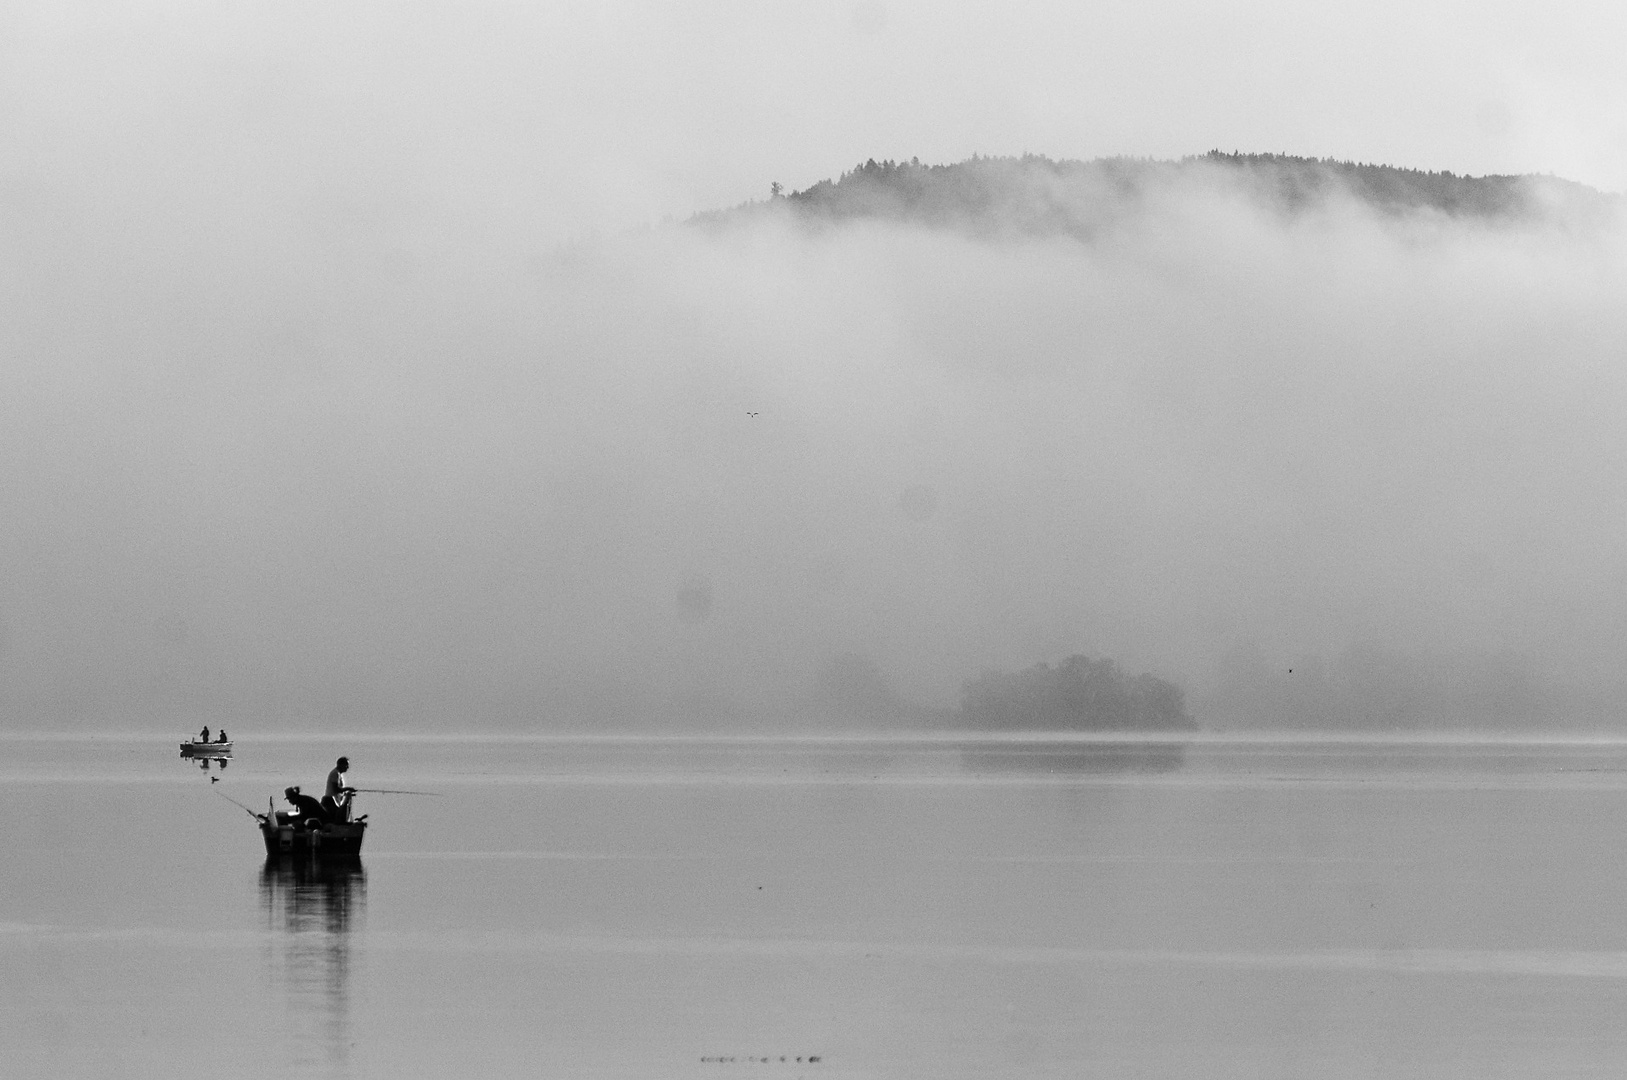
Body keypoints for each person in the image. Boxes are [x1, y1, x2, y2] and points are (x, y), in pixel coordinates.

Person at [322, 757, 354, 822]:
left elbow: (339, 791)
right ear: (341, 764)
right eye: (346, 765)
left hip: (336, 802)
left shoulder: (339, 775)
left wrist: (346, 793)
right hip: (331, 801)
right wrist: (348, 789)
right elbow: (336, 789)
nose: (347, 767)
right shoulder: (335, 773)